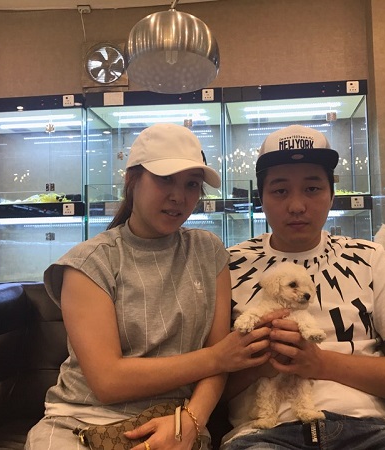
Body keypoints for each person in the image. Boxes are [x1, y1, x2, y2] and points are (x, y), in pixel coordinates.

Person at [25, 123, 272, 450]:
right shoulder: (89, 263)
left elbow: (220, 366)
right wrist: (216, 358)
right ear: (132, 180)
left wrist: (192, 420)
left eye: (191, 184)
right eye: (165, 179)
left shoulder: (208, 251)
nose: (179, 197)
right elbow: (108, 381)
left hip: (177, 423)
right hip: (82, 422)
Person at [221, 124, 385, 449]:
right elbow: (202, 384)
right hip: (263, 436)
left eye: (312, 188)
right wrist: (258, 363)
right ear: (262, 198)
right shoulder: (227, 264)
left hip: (369, 433)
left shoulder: (368, 257)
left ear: (331, 193)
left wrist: (320, 363)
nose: (297, 205)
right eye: (280, 191)